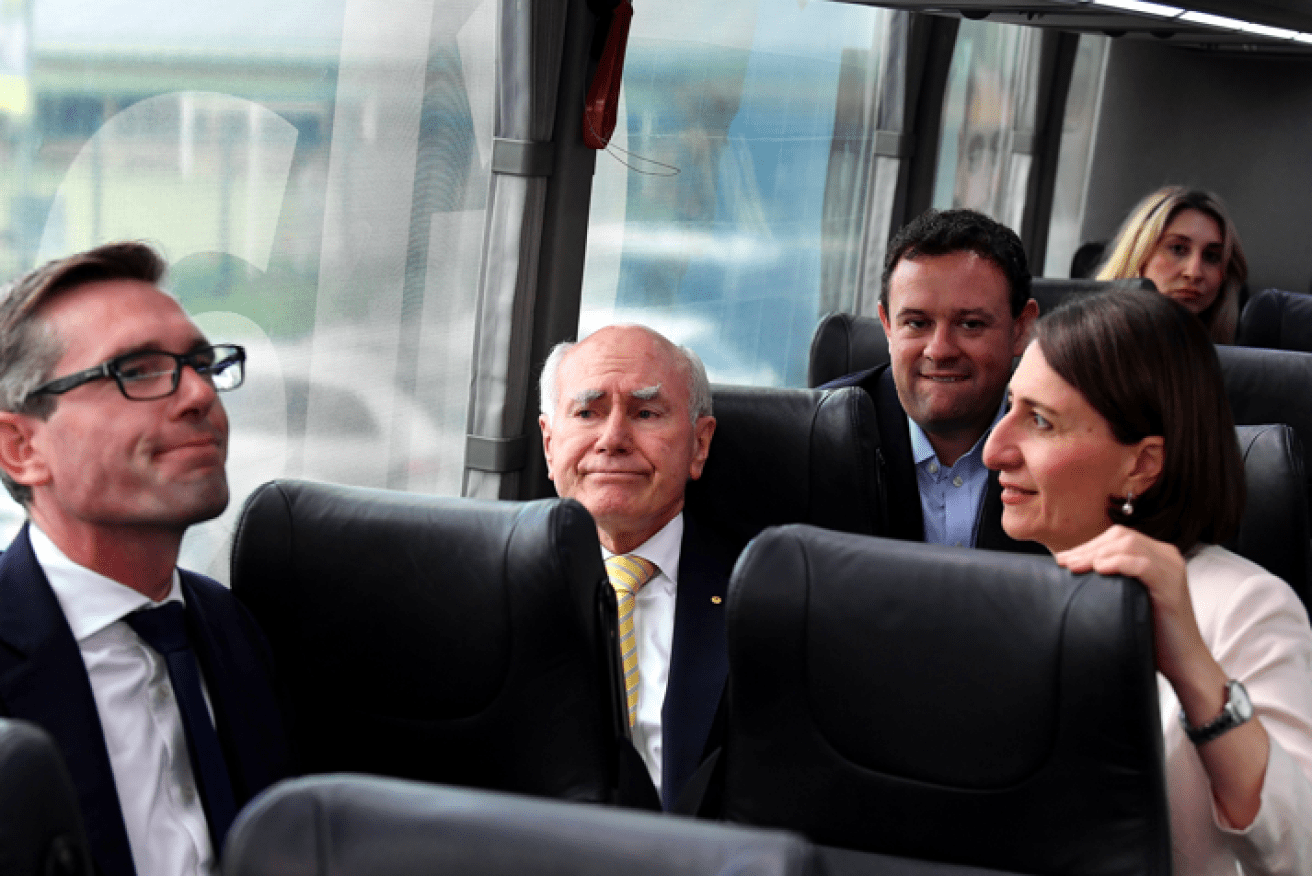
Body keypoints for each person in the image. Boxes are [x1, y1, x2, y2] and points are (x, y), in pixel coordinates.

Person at [983, 290, 1312, 874]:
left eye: (1039, 420)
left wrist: (1191, 665)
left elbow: (1300, 851)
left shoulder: (1244, 607)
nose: (994, 450)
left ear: (1141, 465)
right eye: (1009, 407)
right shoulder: (1008, 590)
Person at [0, 243, 289, 876]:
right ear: (22, 447)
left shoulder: (234, 627)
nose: (199, 395)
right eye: (138, 369)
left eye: (202, 363)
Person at [538, 324, 723, 810]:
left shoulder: (771, 597)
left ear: (699, 445)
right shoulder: (492, 589)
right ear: (549, 443)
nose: (613, 438)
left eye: (645, 412)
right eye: (587, 412)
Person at [826, 208, 1043, 554]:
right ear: (887, 325)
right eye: (916, 323)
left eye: (970, 324)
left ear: (1021, 328)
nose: (939, 350)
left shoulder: (1068, 446)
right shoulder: (819, 438)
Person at [1096, 186, 1248, 344]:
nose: (1194, 273)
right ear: (1139, 254)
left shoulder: (1232, 363)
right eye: (1178, 249)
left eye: (1211, 256)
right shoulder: (1086, 347)